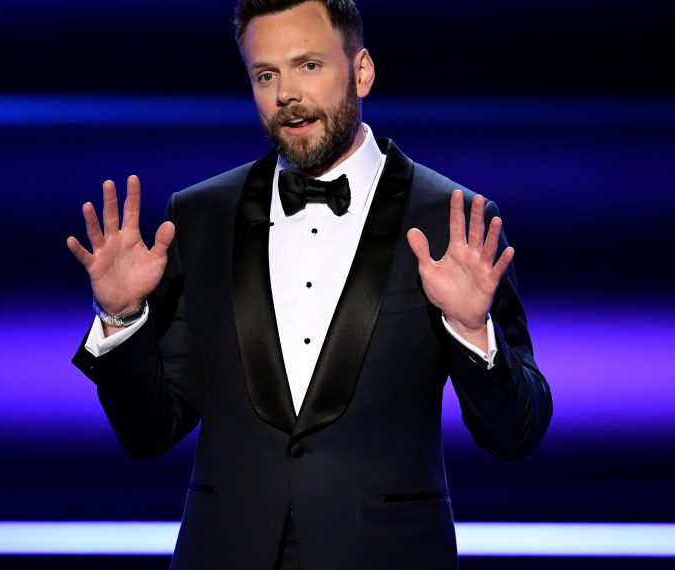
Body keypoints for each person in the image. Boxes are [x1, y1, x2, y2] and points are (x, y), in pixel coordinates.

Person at [67, 1, 552, 568]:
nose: (285, 94)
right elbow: (149, 432)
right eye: (265, 74)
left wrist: (471, 331)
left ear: (362, 71)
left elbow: (516, 436)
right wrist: (124, 320)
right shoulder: (200, 217)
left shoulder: (451, 221)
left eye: (309, 66)